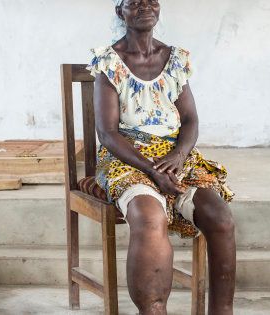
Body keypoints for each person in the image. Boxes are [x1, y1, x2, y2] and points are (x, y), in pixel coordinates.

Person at [86, 0, 236, 313]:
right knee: (149, 217)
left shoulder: (175, 59)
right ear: (120, 11)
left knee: (220, 218)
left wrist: (179, 157)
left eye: (151, 0)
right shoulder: (110, 63)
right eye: (133, 2)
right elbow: (108, 133)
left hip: (174, 159)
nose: (144, 6)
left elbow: (191, 120)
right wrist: (153, 171)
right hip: (127, 158)